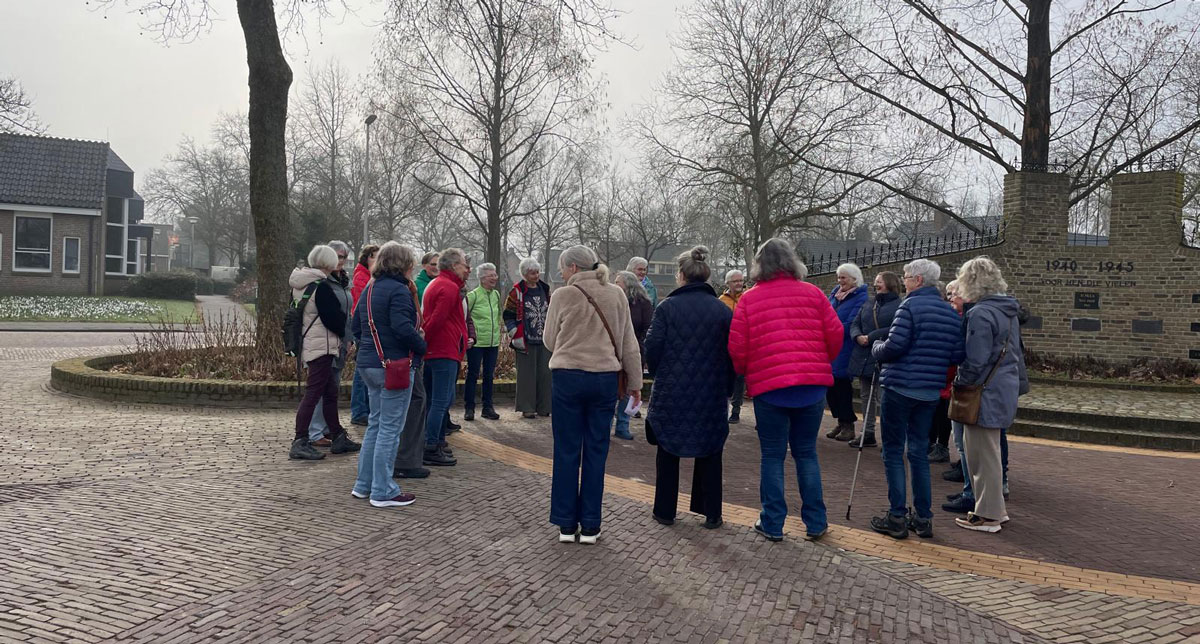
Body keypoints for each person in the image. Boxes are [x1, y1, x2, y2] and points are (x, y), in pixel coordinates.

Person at [728, 238, 843, 542]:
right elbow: (835, 334)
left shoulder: (750, 300)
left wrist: (747, 373)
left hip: (770, 389)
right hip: (812, 387)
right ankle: (816, 522)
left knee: (772, 456)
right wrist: (819, 362)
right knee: (806, 454)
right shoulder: (815, 294)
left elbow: (737, 348)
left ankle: (773, 522)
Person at [544, 245, 643, 545]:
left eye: (562, 268)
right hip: (604, 378)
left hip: (568, 377)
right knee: (596, 450)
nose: (561, 274)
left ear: (573, 268)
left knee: (566, 450)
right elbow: (629, 343)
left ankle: (564, 524)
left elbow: (550, 340)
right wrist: (635, 384)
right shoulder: (616, 294)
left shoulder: (562, 295)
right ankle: (590, 525)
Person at [869, 258, 964, 540]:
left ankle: (897, 515)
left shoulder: (908, 306)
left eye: (907, 277)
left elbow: (894, 346)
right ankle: (923, 518)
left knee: (893, 451)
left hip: (899, 387)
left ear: (918, 280)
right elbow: (957, 355)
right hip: (930, 391)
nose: (905, 281)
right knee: (919, 453)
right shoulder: (949, 312)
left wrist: (876, 347)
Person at [644, 246, 733, 529]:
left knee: (668, 451)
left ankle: (665, 511)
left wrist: (659, 373)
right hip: (711, 392)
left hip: (672, 390)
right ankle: (711, 513)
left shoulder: (667, 308)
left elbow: (653, 347)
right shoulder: (722, 310)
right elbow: (732, 353)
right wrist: (727, 386)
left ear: (681, 275)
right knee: (710, 450)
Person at [953, 257, 1028, 533]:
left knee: (980, 456)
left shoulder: (981, 313)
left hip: (984, 391)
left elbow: (976, 359)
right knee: (990, 453)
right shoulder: (1007, 311)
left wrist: (962, 383)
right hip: (1003, 386)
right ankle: (994, 510)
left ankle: (988, 514)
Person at [349, 241, 427, 507]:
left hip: (369, 364)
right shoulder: (399, 291)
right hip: (394, 366)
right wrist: (421, 347)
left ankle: (364, 483)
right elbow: (402, 328)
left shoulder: (370, 289)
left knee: (375, 424)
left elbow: (356, 328)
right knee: (390, 430)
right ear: (404, 264)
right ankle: (383, 490)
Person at [287, 245, 360, 460]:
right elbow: (333, 319)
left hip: (311, 343)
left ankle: (337, 435)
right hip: (323, 346)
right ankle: (300, 439)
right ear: (328, 263)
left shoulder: (301, 283)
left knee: (329, 393)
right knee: (314, 394)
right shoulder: (323, 286)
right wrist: (346, 336)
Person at [421, 248, 470, 467]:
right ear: (452, 266)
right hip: (444, 350)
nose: (466, 268)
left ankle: (437, 442)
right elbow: (436, 320)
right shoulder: (448, 288)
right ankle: (431, 446)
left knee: (435, 400)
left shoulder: (437, 284)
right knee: (441, 401)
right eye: (462, 264)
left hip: (437, 350)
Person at [307, 240, 358, 448]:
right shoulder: (323, 283)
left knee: (332, 387)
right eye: (336, 256)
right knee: (321, 388)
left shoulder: (343, 281)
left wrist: (350, 338)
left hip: (340, 341)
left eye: (343, 257)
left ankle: (328, 428)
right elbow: (330, 316)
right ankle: (314, 431)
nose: (339, 261)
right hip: (325, 342)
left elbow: (347, 314)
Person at [846, 271, 902, 448]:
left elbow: (895, 329)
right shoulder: (869, 303)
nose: (876, 284)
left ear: (890, 284)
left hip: (883, 354)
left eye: (880, 281)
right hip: (863, 354)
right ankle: (867, 432)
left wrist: (871, 336)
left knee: (882, 397)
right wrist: (857, 336)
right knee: (865, 396)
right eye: (876, 281)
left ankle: (888, 436)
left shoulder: (899, 306)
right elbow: (855, 323)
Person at [825, 263, 869, 442]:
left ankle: (848, 423)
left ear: (854, 279)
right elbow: (825, 312)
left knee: (841, 384)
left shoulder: (861, 297)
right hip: (830, 345)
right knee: (831, 386)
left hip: (845, 346)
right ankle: (841, 420)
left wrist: (829, 330)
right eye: (838, 277)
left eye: (843, 277)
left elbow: (852, 323)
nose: (840, 280)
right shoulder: (836, 294)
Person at [504, 258, 552, 418]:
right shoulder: (516, 292)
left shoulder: (545, 289)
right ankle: (527, 408)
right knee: (526, 375)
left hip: (544, 339)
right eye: (532, 273)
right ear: (525, 274)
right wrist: (513, 331)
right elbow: (508, 315)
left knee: (545, 374)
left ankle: (545, 407)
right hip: (525, 340)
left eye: (537, 272)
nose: (536, 275)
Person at [611, 270, 654, 440]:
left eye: (618, 282)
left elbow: (648, 328)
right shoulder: (613, 300)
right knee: (612, 388)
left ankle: (622, 425)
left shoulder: (643, 304)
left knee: (628, 388)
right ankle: (606, 425)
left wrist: (640, 348)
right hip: (613, 350)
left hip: (634, 349)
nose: (615, 285)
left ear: (628, 285)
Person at [464, 262, 504, 421]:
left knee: (489, 375)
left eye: (495, 275)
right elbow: (466, 318)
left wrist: (498, 334)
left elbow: (498, 315)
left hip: (492, 343)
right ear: (482, 278)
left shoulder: (496, 295)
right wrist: (470, 337)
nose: (494, 278)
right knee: (472, 375)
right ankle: (469, 408)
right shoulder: (472, 296)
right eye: (491, 275)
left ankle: (488, 407)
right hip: (477, 343)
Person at [349, 244, 380, 426]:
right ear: (366, 258)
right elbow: (364, 303)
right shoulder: (362, 277)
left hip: (367, 328)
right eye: (374, 257)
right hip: (364, 328)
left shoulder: (369, 276)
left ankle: (364, 410)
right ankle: (359, 411)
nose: (377, 261)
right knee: (362, 373)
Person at [928, 281, 956, 464]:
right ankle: (931, 443)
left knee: (944, 413)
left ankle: (942, 446)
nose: (950, 297)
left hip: (948, 372)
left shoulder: (955, 316)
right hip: (939, 371)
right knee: (936, 411)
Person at [719, 269, 747, 423]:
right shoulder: (721, 300)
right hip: (725, 346)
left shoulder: (748, 298)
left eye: (741, 281)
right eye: (735, 281)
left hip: (744, 345)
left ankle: (736, 410)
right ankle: (723, 409)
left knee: (740, 379)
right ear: (727, 283)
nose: (739, 284)